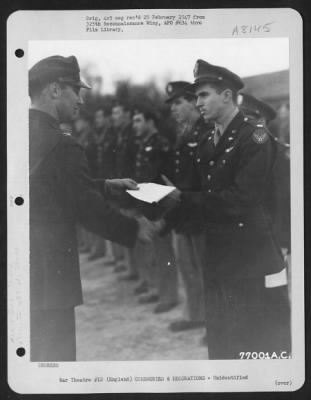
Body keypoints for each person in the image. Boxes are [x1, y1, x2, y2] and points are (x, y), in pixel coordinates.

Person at [29, 55, 156, 361]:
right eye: (76, 89)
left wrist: (104, 184)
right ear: (55, 90)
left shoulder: (17, 133)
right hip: (51, 271)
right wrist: (132, 228)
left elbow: (50, 188)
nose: (81, 99)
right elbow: (84, 207)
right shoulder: (62, 143)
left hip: (25, 267)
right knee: (55, 360)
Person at [162, 59, 291, 359]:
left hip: (250, 258)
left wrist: (183, 198)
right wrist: (165, 204)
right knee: (223, 346)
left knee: (258, 346)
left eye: (204, 94)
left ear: (227, 95)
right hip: (219, 255)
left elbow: (242, 199)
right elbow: (200, 192)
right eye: (196, 97)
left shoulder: (255, 136)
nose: (198, 103)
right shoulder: (210, 139)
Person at [164, 81, 208, 331]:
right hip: (184, 213)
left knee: (205, 271)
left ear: (193, 102)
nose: (174, 109)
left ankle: (213, 323)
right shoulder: (184, 132)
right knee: (188, 269)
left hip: (200, 212)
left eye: (178, 102)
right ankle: (195, 316)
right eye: (172, 104)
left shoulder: (206, 131)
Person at [131, 105, 179, 314]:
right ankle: (159, 290)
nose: (135, 125)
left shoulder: (161, 144)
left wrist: (161, 210)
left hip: (159, 206)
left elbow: (163, 178)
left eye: (139, 120)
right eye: (134, 121)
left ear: (151, 122)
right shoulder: (145, 143)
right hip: (147, 205)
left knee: (165, 254)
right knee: (154, 254)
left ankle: (169, 296)